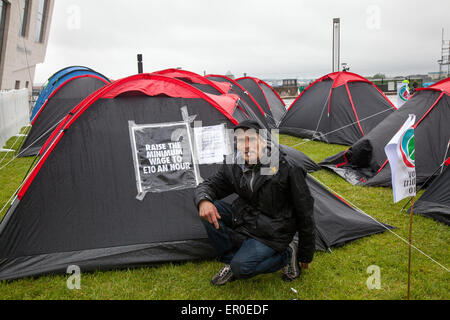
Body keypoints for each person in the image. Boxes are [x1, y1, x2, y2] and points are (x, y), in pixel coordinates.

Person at [194, 120, 315, 286]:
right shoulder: (234, 164)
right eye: (241, 140)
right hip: (247, 218)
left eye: (251, 139)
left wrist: (305, 254)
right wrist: (203, 200)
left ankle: (287, 253)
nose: (245, 146)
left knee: (242, 269)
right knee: (209, 209)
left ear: (264, 141)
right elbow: (209, 185)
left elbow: (305, 211)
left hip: (274, 230)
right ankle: (231, 261)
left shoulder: (286, 167)